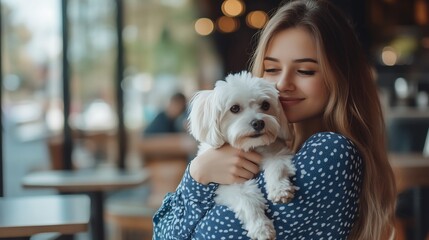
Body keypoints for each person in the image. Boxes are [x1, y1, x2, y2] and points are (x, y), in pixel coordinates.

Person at [153, 0, 397, 239]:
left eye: (305, 71)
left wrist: (198, 178)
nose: (282, 84)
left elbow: (205, 236)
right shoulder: (277, 149)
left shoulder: (330, 152)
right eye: (271, 69)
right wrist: (198, 172)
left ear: (341, 78)